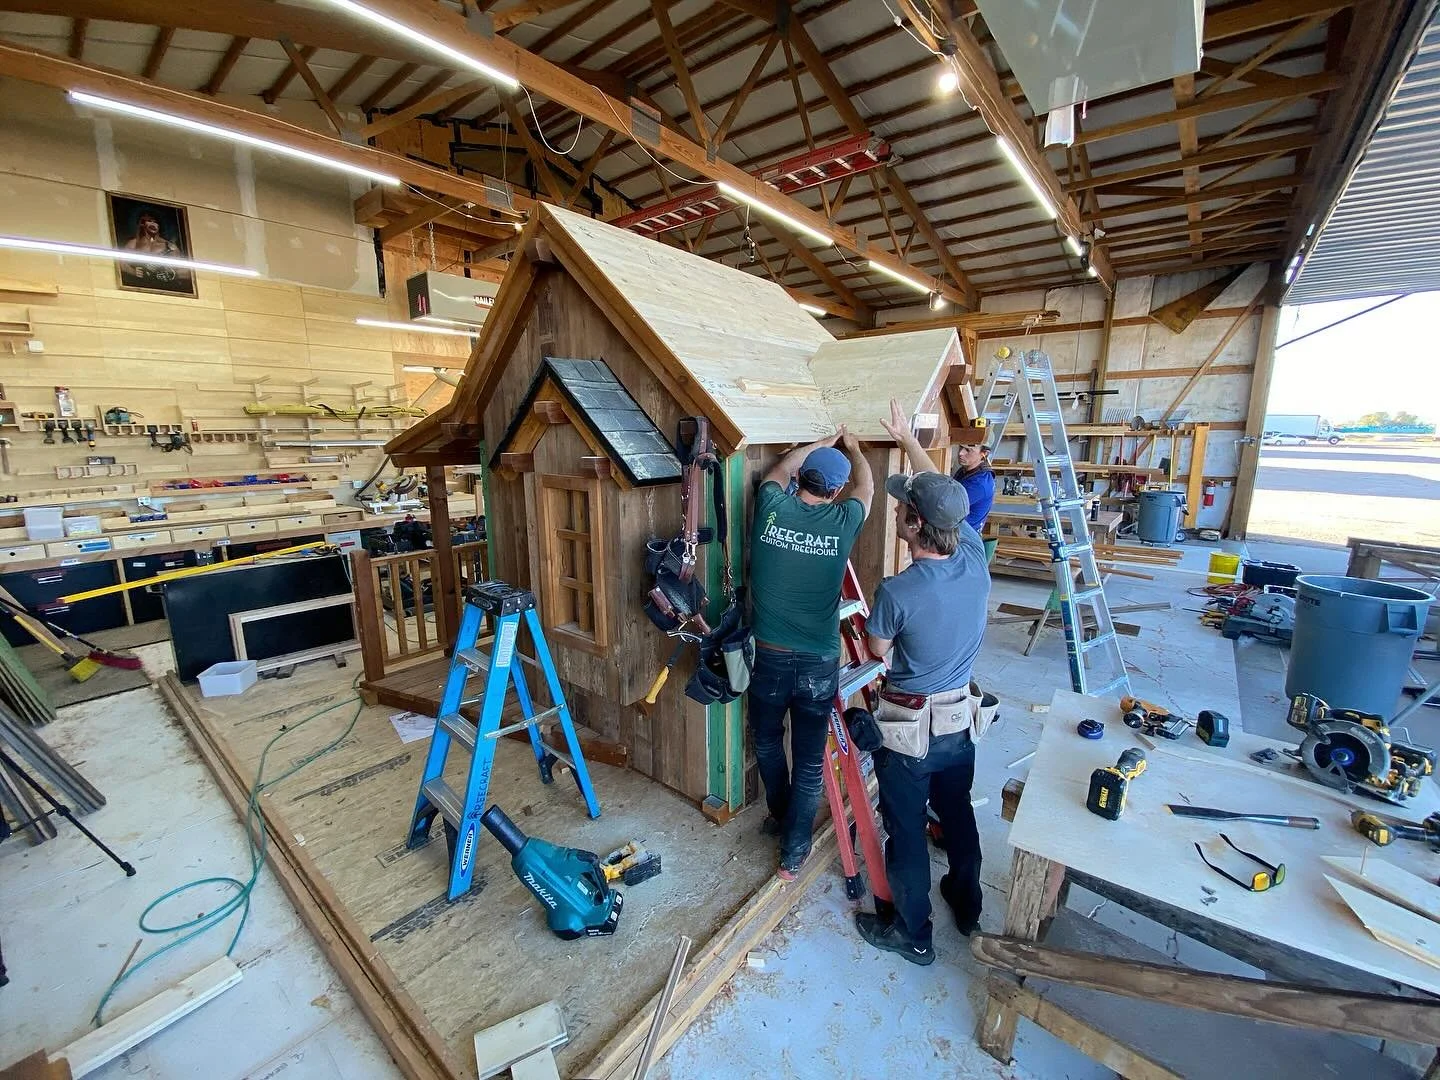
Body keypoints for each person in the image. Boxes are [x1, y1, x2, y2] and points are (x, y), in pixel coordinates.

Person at [854, 399, 991, 965]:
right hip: (960, 722)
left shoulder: (898, 592)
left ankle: (912, 935)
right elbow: (943, 498)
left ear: (913, 526)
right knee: (956, 810)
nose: (898, 514)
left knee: (906, 832)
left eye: (904, 509)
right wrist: (909, 439)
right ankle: (966, 902)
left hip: (909, 731)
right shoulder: (976, 554)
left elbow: (877, 651)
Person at [748, 427, 874, 880]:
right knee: (807, 760)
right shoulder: (844, 521)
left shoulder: (771, 507)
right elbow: (868, 486)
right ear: (836, 491)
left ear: (802, 477)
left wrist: (818, 444)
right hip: (819, 663)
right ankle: (794, 851)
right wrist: (854, 449)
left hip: (768, 657)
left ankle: (780, 815)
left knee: (765, 740)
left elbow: (779, 469)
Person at [952, 440, 994, 531]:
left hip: (963, 539)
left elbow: (947, 506)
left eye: (968, 450)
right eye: (960, 447)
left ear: (984, 453)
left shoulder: (979, 484)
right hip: (955, 530)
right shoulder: (966, 471)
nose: (960, 453)